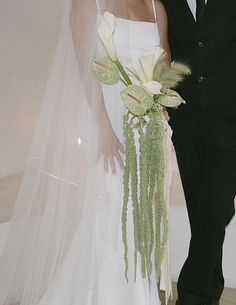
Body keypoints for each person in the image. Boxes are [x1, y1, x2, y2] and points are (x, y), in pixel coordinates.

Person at [0, 1, 173, 304]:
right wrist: (103, 127)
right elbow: (84, 62)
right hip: (106, 122)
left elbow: (165, 61)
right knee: (110, 214)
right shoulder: (88, 3)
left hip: (144, 126)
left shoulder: (156, 6)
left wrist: (161, 102)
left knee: (139, 217)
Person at [161, 0, 236, 304]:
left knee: (211, 210)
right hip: (186, 122)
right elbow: (164, 50)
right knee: (204, 215)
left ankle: (192, 297)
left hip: (230, 122)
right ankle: (210, 290)